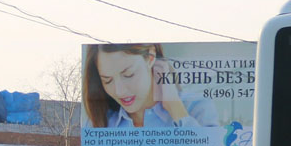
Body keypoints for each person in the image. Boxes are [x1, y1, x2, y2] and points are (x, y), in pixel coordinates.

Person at [82, 43, 219, 129]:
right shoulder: (98, 122)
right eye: (108, 81)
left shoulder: (197, 107)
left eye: (128, 74)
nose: (119, 91)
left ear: (150, 57)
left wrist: (176, 109)